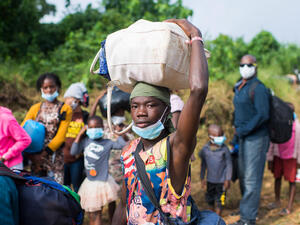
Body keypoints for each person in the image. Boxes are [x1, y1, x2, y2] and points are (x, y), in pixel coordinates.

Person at [112, 19, 223, 225]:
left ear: (167, 110)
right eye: (135, 106)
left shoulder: (175, 148)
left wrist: (195, 35)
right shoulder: (128, 151)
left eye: (150, 105)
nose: (141, 113)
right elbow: (123, 204)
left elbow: (198, 91)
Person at [230, 55, 270, 225]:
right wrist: (236, 134)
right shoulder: (240, 86)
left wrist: (243, 130)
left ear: (255, 66)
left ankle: (248, 219)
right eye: (242, 64)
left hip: (256, 138)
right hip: (242, 137)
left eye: (249, 64)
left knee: (252, 178)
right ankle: (247, 209)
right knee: (244, 175)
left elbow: (263, 114)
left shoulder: (259, 88)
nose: (245, 67)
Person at [71, 116, 126, 225]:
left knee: (102, 210)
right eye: (91, 127)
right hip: (90, 182)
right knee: (94, 214)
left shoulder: (107, 142)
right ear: (87, 128)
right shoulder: (85, 141)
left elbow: (122, 145)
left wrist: (118, 133)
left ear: (102, 127)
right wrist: (80, 134)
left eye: (97, 127)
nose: (94, 129)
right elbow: (73, 151)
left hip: (103, 181)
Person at [21, 73, 72, 184]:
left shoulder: (65, 109)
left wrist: (43, 155)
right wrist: (32, 156)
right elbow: (22, 129)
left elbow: (61, 136)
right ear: (41, 89)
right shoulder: (35, 108)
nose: (49, 90)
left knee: (55, 189)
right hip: (35, 157)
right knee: (37, 189)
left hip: (54, 156)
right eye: (45, 87)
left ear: (58, 87)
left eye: (52, 86)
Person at [267, 103, 300, 215]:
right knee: (277, 177)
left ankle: (289, 207)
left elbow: (299, 144)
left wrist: (299, 160)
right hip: (278, 156)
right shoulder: (277, 123)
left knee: (292, 181)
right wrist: (270, 158)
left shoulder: (297, 126)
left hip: (291, 157)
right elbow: (272, 141)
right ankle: (277, 201)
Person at [199, 124, 232, 216]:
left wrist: (227, 179)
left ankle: (217, 218)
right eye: (219, 136)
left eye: (222, 135)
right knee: (210, 200)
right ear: (211, 137)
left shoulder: (225, 149)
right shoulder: (205, 150)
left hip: (222, 182)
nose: (222, 138)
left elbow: (229, 165)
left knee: (220, 201)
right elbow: (203, 165)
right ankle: (212, 217)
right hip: (210, 181)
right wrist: (202, 179)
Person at [63, 82, 89, 192]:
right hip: (63, 158)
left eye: (69, 98)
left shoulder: (85, 116)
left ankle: (79, 208)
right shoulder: (63, 114)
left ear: (77, 100)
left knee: (78, 187)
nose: (66, 101)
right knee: (63, 187)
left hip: (77, 159)